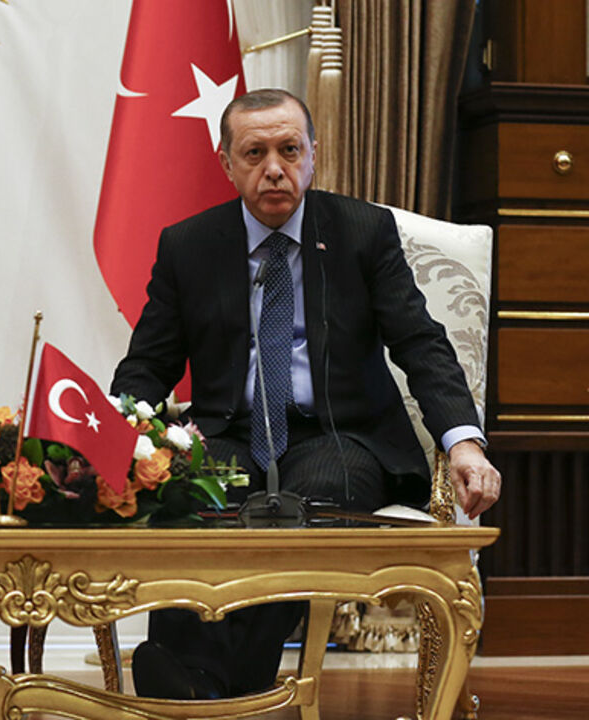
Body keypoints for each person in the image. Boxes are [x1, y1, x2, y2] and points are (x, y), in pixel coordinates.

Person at [110, 88, 501, 700]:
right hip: (231, 432)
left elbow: (421, 344)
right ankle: (198, 676)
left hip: (340, 436)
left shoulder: (361, 232)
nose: (274, 168)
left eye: (290, 150)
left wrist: (465, 442)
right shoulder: (189, 245)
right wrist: (114, 443)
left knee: (310, 498)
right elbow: (147, 367)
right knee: (191, 490)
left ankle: (204, 685)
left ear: (313, 155)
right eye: (255, 152)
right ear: (227, 162)